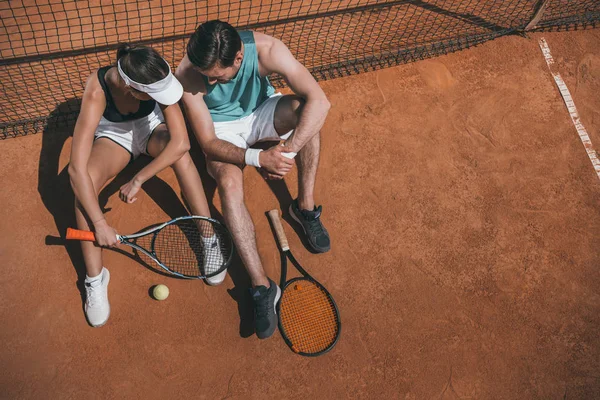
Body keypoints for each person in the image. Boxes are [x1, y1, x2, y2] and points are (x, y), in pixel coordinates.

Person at [175, 20, 331, 339]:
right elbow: (206, 142)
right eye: (206, 75)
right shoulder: (189, 73)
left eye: (216, 75)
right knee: (230, 188)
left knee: (306, 115)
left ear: (238, 59)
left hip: (262, 110)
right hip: (220, 130)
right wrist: (260, 158)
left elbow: (320, 102)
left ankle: (303, 207)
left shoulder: (267, 50)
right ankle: (262, 286)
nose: (209, 80)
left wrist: (286, 152)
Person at [68, 44, 224, 328]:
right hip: (114, 138)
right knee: (85, 183)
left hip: (153, 129)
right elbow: (75, 170)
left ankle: (207, 236)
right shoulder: (97, 91)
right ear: (130, 87)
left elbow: (181, 142)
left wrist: (139, 178)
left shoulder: (153, 73)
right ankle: (95, 278)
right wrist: (100, 224)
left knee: (182, 157)